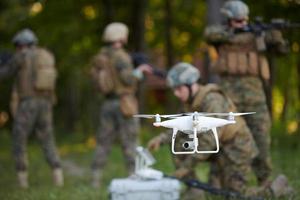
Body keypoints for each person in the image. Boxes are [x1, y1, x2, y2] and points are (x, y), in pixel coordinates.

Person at [148, 62, 293, 199]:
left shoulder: (212, 101)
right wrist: (160, 139)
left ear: (191, 85)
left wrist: (186, 167)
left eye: (179, 89)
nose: (176, 94)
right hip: (220, 149)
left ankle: (277, 189)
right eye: (174, 90)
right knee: (180, 142)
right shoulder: (191, 102)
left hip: (237, 148)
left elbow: (210, 139)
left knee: (235, 194)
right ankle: (194, 190)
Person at [204, 0, 289, 186]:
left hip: (255, 99)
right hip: (229, 100)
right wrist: (235, 32)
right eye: (237, 22)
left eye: (244, 21)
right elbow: (209, 34)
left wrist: (276, 36)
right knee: (222, 138)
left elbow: (282, 51)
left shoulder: (258, 37)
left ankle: (265, 182)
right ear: (229, 21)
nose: (242, 25)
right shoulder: (222, 35)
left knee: (262, 141)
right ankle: (216, 182)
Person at [90, 22, 152, 187]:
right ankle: (134, 176)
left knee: (103, 141)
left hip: (108, 103)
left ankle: (95, 178)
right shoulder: (121, 56)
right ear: (121, 37)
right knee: (130, 140)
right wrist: (140, 72)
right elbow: (128, 79)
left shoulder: (101, 56)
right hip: (125, 103)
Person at [0, 29, 63, 188]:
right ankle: (58, 176)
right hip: (46, 102)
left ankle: (22, 181)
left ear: (21, 45)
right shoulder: (45, 54)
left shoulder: (21, 56)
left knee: (19, 139)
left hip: (28, 103)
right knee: (47, 138)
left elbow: (5, 73)